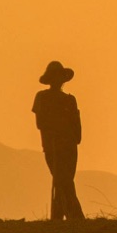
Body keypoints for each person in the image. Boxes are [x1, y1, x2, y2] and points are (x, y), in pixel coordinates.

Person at [32, 61, 85, 220]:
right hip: (53, 146)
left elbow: (77, 126)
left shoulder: (70, 100)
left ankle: (58, 217)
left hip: (67, 147)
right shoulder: (42, 97)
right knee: (64, 181)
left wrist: (73, 138)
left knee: (62, 181)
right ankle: (75, 216)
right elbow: (40, 123)